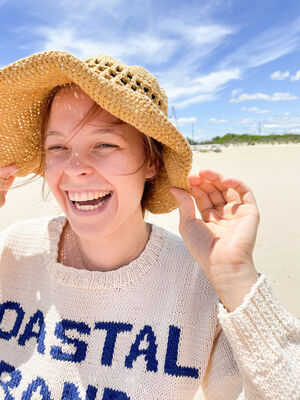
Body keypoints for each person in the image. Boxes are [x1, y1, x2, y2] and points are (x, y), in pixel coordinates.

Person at [0, 50, 299, 400]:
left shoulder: (198, 284)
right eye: (58, 146)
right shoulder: (15, 251)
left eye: (104, 143)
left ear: (151, 162)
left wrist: (236, 278)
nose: (74, 167)